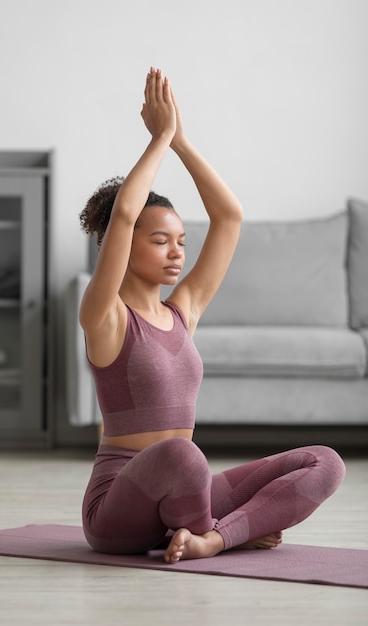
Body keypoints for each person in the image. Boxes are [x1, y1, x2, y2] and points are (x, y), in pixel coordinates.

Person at [78, 67, 345, 563]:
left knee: (323, 462)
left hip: (188, 492)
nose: (176, 253)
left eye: (181, 241)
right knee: (183, 455)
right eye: (160, 241)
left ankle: (211, 538)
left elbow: (229, 218)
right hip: (120, 505)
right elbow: (123, 214)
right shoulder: (105, 317)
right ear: (125, 243)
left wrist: (181, 140)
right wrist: (158, 139)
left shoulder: (183, 311)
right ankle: (225, 531)